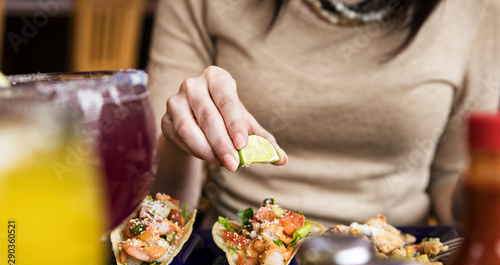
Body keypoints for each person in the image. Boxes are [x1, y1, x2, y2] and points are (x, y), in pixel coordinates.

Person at [146, 0, 500, 228]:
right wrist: (178, 141)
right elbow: (153, 204)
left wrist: (483, 185)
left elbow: (453, 191)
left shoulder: (479, 10)